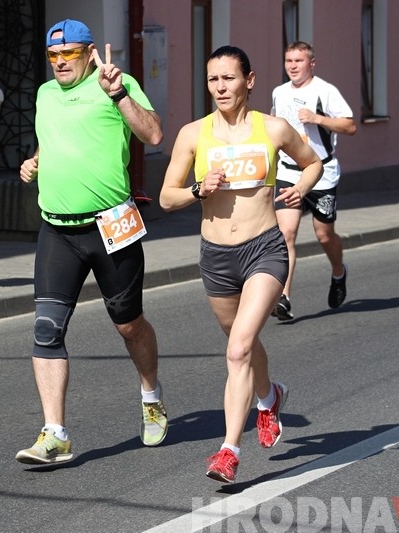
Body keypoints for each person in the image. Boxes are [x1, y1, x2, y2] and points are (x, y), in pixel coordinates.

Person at [159, 45, 322, 483]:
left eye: (229, 78)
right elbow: (166, 197)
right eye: (213, 79)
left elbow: (312, 163)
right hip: (216, 256)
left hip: (264, 248)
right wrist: (198, 189)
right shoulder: (193, 134)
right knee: (241, 343)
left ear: (249, 80)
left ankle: (228, 451)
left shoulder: (274, 128)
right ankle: (270, 397)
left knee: (237, 350)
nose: (220, 87)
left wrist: (301, 187)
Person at [15, 19, 166, 465]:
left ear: (89, 53)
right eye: (53, 55)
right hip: (57, 230)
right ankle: (55, 433)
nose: (60, 62)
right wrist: (34, 161)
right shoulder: (45, 94)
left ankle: (151, 396)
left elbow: (154, 134)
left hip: (110, 227)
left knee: (129, 324)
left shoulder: (117, 84)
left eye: (70, 54)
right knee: (46, 328)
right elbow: (53, 141)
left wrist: (118, 94)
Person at [270, 41, 356, 320]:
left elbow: (350, 125)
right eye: (289, 61)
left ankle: (338, 272)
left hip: (321, 173)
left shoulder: (325, 90)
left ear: (311, 63)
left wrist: (317, 118)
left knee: (324, 235)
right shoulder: (279, 92)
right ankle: (283, 297)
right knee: (286, 233)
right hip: (289, 171)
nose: (293, 66)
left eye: (299, 61)